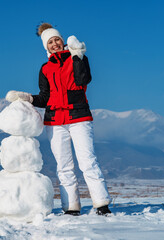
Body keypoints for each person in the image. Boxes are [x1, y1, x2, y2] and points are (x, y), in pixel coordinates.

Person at [6, 23, 111, 216]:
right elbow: (45, 97)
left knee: (87, 161)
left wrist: (78, 54)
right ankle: (71, 207)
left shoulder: (76, 58)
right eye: (50, 42)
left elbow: (83, 80)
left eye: (57, 40)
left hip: (79, 116)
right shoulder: (45, 68)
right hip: (54, 121)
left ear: (62, 41)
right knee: (63, 166)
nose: (54, 44)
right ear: (46, 47)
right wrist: (27, 98)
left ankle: (101, 203)